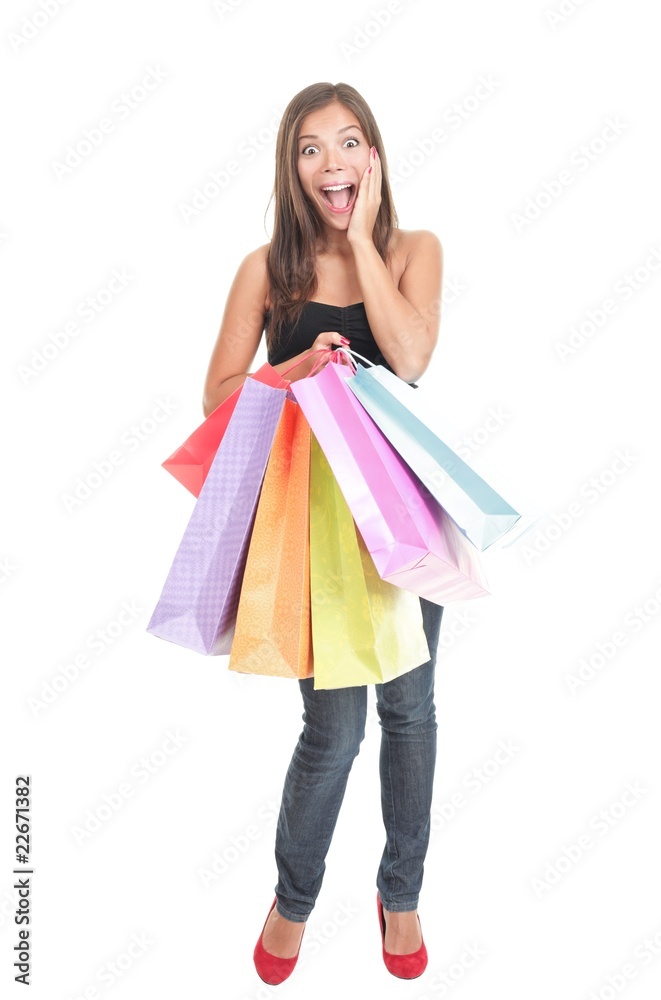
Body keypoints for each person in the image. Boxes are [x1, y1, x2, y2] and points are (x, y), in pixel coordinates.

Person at [202, 82, 444, 984]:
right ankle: (293, 898)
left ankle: (402, 891)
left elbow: (411, 355)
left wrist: (362, 239)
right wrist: (296, 366)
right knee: (332, 731)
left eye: (348, 145)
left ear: (372, 158)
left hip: (404, 517)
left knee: (409, 711)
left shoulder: (415, 250)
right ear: (291, 168)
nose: (331, 162)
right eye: (311, 149)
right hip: (307, 519)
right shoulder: (267, 271)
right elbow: (217, 399)